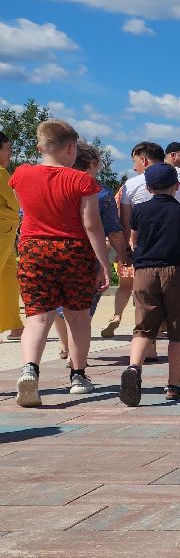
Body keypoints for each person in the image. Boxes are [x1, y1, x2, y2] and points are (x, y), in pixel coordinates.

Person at [9, 120, 109, 405]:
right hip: (73, 251)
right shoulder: (82, 181)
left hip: (33, 249)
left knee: (38, 317)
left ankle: (30, 370)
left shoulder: (21, 174)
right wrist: (103, 263)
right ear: (71, 147)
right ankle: (78, 376)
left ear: (40, 146)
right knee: (77, 316)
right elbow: (92, 225)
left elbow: (24, 209)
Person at [118, 163, 180, 406]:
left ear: (148, 188)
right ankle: (173, 384)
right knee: (178, 329)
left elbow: (135, 242)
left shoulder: (139, 211)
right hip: (176, 272)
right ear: (177, 186)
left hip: (144, 272)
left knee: (144, 325)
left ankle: (134, 368)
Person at [55, 143, 128, 363]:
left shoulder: (55, 185)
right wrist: (123, 254)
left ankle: (65, 347)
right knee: (84, 308)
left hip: (52, 251)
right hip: (88, 254)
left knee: (58, 304)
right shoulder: (101, 192)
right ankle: (76, 356)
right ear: (93, 164)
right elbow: (113, 230)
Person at [0, 134, 22, 339]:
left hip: (6, 232)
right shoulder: (1, 173)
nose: (10, 153)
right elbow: (15, 203)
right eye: (7, 148)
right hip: (2, 231)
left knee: (8, 279)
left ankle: (15, 325)